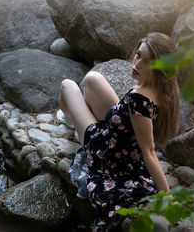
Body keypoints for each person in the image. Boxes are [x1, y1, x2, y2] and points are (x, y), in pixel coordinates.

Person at [58, 32, 180, 231]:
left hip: (104, 150)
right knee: (92, 78)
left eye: (147, 62)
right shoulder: (162, 92)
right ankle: (73, 116)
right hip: (122, 136)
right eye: (138, 55)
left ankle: (67, 116)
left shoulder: (139, 98)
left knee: (67, 85)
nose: (137, 63)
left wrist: (167, 197)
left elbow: (149, 151)